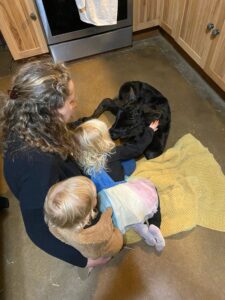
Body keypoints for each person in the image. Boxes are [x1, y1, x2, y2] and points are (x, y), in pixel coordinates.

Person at [0, 60, 109, 268]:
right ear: (50, 112)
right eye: (71, 102)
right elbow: (36, 230)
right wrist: (86, 261)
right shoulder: (39, 166)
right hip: (51, 197)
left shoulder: (23, 117)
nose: (75, 104)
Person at [73, 119, 165, 251]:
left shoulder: (81, 165)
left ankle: (139, 227)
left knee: (124, 213)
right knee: (151, 189)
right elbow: (137, 148)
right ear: (104, 140)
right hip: (126, 194)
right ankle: (155, 225)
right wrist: (149, 131)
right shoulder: (114, 152)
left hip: (109, 205)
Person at [44, 176, 124, 260]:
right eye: (94, 196)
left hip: (85, 251)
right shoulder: (99, 228)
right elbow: (108, 227)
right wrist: (108, 212)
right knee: (117, 243)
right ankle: (106, 256)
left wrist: (71, 242)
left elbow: (58, 235)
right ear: (87, 215)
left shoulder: (56, 223)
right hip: (101, 248)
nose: (96, 195)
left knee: (91, 251)